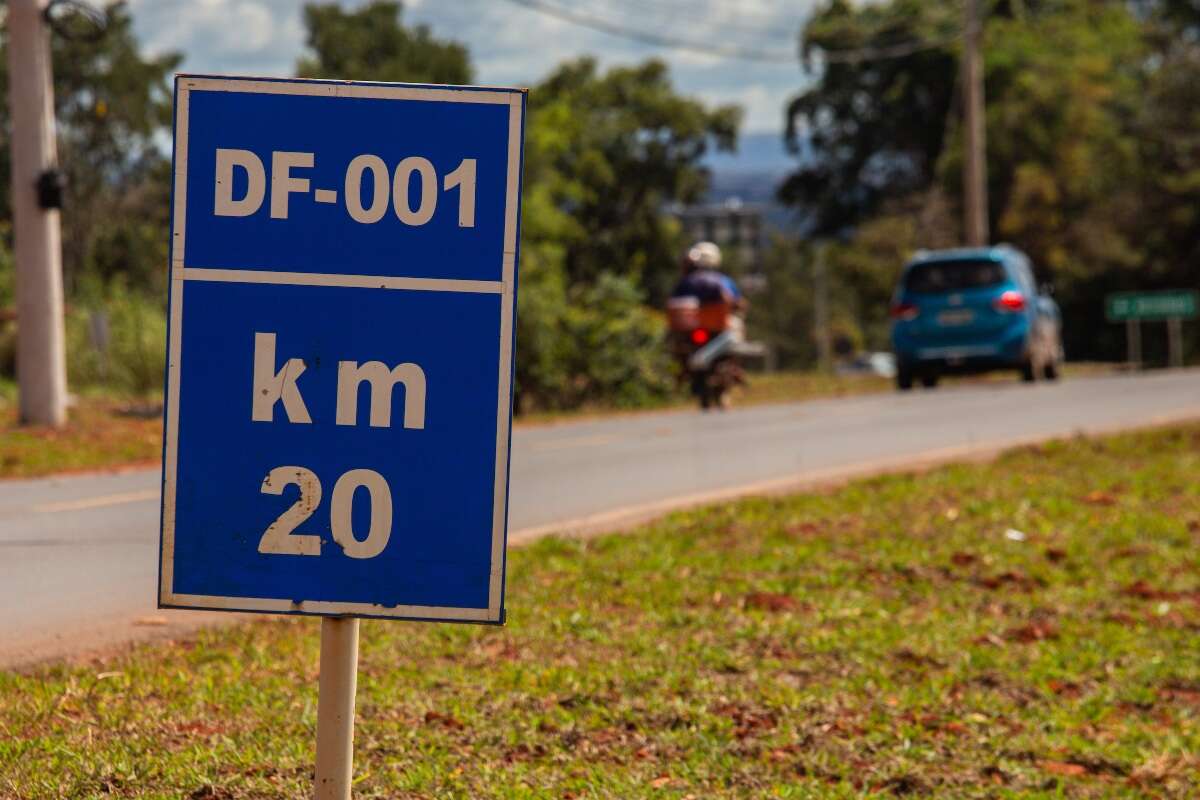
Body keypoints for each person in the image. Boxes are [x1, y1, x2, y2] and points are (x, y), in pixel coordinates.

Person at [669, 241, 745, 312]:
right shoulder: (723, 280)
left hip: (689, 323)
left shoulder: (685, 281)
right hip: (717, 322)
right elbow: (735, 302)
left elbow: (672, 302)